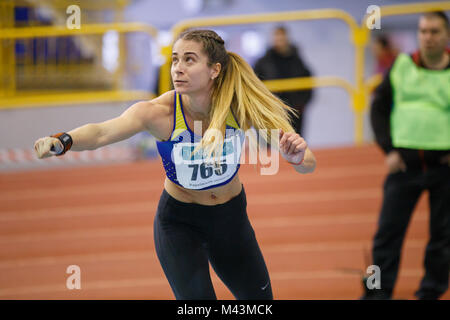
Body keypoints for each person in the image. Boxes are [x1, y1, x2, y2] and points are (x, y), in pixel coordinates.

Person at [34, 29, 317, 300]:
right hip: (179, 224)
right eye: (175, 60)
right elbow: (102, 132)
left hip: (231, 220)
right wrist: (64, 140)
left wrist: (297, 159)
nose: (177, 68)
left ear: (214, 70)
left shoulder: (239, 105)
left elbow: (308, 163)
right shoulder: (158, 113)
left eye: (189, 60)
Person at [362, 12, 450, 300]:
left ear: (446, 35)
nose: (428, 36)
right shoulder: (400, 66)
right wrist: (388, 149)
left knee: (443, 237)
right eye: (423, 31)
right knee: (387, 234)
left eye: (434, 31)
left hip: (444, 168)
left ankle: (431, 292)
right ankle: (377, 293)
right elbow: (378, 109)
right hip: (403, 166)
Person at [254, 26, 313, 136]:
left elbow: (308, 81)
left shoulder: (297, 61)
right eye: (277, 37)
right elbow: (253, 84)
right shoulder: (263, 62)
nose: (279, 40)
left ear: (287, 38)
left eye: (281, 37)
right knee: (267, 150)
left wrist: (302, 104)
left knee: (294, 146)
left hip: (294, 112)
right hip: (269, 112)